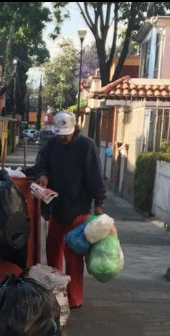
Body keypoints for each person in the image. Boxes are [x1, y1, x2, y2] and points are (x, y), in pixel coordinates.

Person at [34, 111, 106, 309]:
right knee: (53, 251)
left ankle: (74, 299)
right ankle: (55, 294)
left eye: (65, 134)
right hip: (57, 206)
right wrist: (43, 175)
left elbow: (95, 176)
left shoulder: (86, 146)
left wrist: (99, 202)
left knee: (73, 256)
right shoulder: (51, 145)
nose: (62, 137)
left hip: (79, 209)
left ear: (73, 129)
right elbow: (42, 164)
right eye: (59, 134)